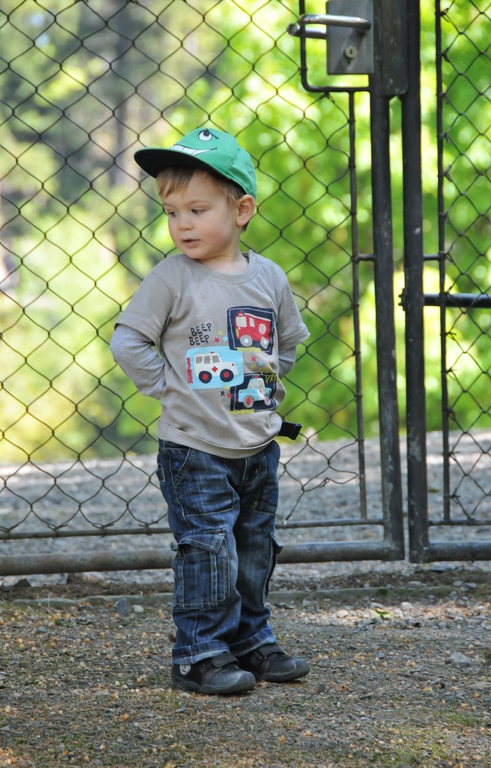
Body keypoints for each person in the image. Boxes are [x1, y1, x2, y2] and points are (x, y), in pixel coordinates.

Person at [110, 127, 310, 695]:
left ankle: (251, 640)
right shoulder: (171, 277)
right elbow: (128, 342)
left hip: (257, 446)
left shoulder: (268, 277)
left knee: (254, 548)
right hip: (194, 450)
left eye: (198, 210)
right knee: (208, 549)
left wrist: (265, 385)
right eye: (172, 213)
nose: (183, 225)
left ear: (241, 210)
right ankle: (199, 653)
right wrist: (168, 388)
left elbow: (287, 343)